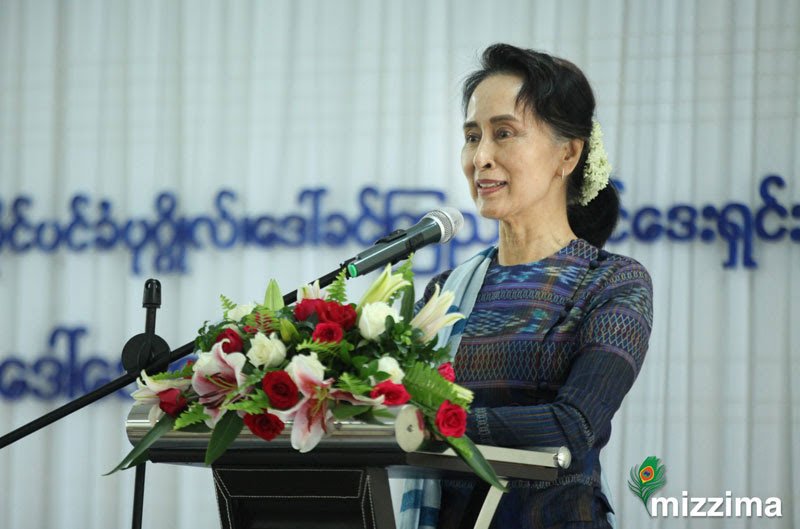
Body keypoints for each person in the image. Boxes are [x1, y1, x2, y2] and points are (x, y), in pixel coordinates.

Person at [399, 44, 653, 529]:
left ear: (568, 154)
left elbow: (572, 425)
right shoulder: (444, 292)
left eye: (504, 133)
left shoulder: (611, 282)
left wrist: (432, 424)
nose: (481, 157)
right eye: (472, 137)